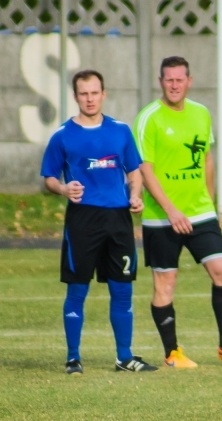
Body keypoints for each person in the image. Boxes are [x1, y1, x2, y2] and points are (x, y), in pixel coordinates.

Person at [133, 56, 222, 368]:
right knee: (165, 284)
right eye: (168, 79)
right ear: (161, 82)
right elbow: (144, 169)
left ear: (189, 81)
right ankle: (172, 352)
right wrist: (172, 210)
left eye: (179, 79)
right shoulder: (149, 118)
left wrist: (212, 203)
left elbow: (207, 160)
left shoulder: (201, 113)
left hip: (200, 213)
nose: (174, 85)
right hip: (161, 217)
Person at [41, 69, 157, 374]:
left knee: (122, 289)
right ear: (76, 96)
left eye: (94, 93)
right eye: (83, 93)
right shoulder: (63, 135)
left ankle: (124, 357)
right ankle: (73, 358)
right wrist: (64, 189)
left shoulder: (120, 131)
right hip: (82, 220)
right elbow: (49, 178)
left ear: (103, 94)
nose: (90, 99)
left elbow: (134, 171)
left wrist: (135, 194)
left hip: (118, 220)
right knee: (77, 290)